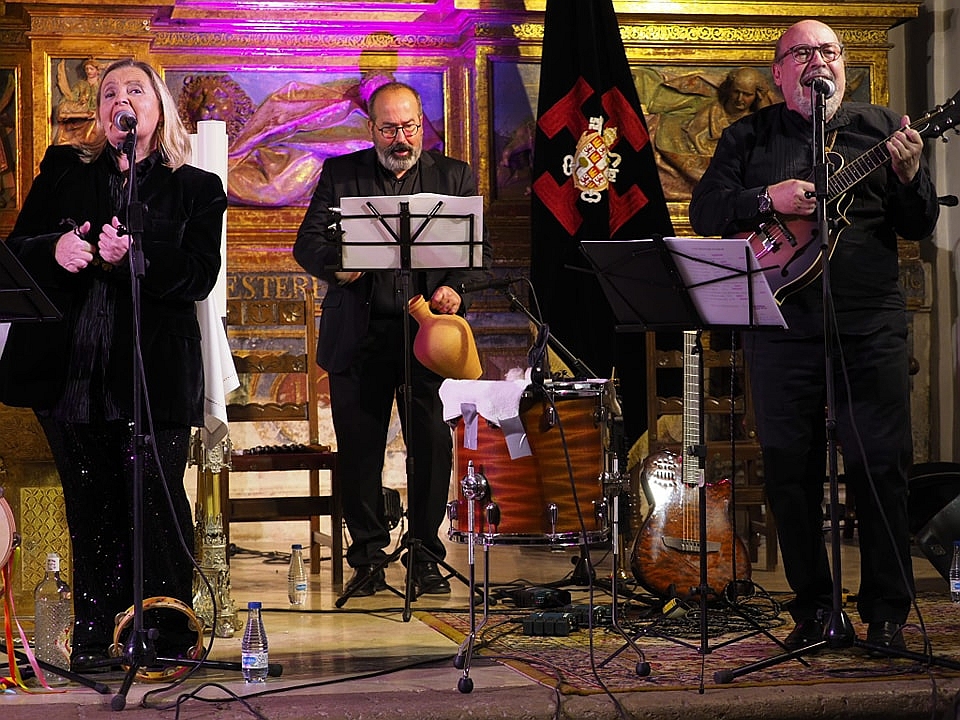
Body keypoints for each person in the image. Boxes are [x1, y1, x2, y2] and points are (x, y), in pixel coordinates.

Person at [689, 19, 938, 651]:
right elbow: (706, 210)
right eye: (801, 52)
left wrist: (910, 177)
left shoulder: (882, 129)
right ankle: (813, 610)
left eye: (828, 51)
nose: (817, 61)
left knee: (880, 468)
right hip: (779, 326)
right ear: (779, 73)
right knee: (788, 472)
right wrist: (765, 198)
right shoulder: (749, 136)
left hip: (869, 325)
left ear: (843, 66)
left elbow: (919, 222)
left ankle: (886, 614)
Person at [0, 59, 227, 669]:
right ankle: (98, 642)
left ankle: (165, 638)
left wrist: (138, 258)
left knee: (156, 504)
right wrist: (54, 249)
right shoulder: (64, 169)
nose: (119, 100)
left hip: (154, 379)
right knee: (89, 509)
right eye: (108, 93)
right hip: (70, 376)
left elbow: (199, 276)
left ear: (158, 107)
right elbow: (16, 249)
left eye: (134, 90)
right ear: (100, 113)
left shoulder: (197, 187)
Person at [294, 81, 491, 598]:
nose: (401, 139)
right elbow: (307, 244)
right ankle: (367, 559)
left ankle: (425, 555)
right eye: (388, 129)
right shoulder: (342, 174)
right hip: (359, 336)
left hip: (428, 337)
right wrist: (339, 266)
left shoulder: (454, 176)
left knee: (432, 447)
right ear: (371, 129)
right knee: (360, 452)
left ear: (422, 124)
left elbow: (479, 252)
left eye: (409, 127)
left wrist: (455, 287)